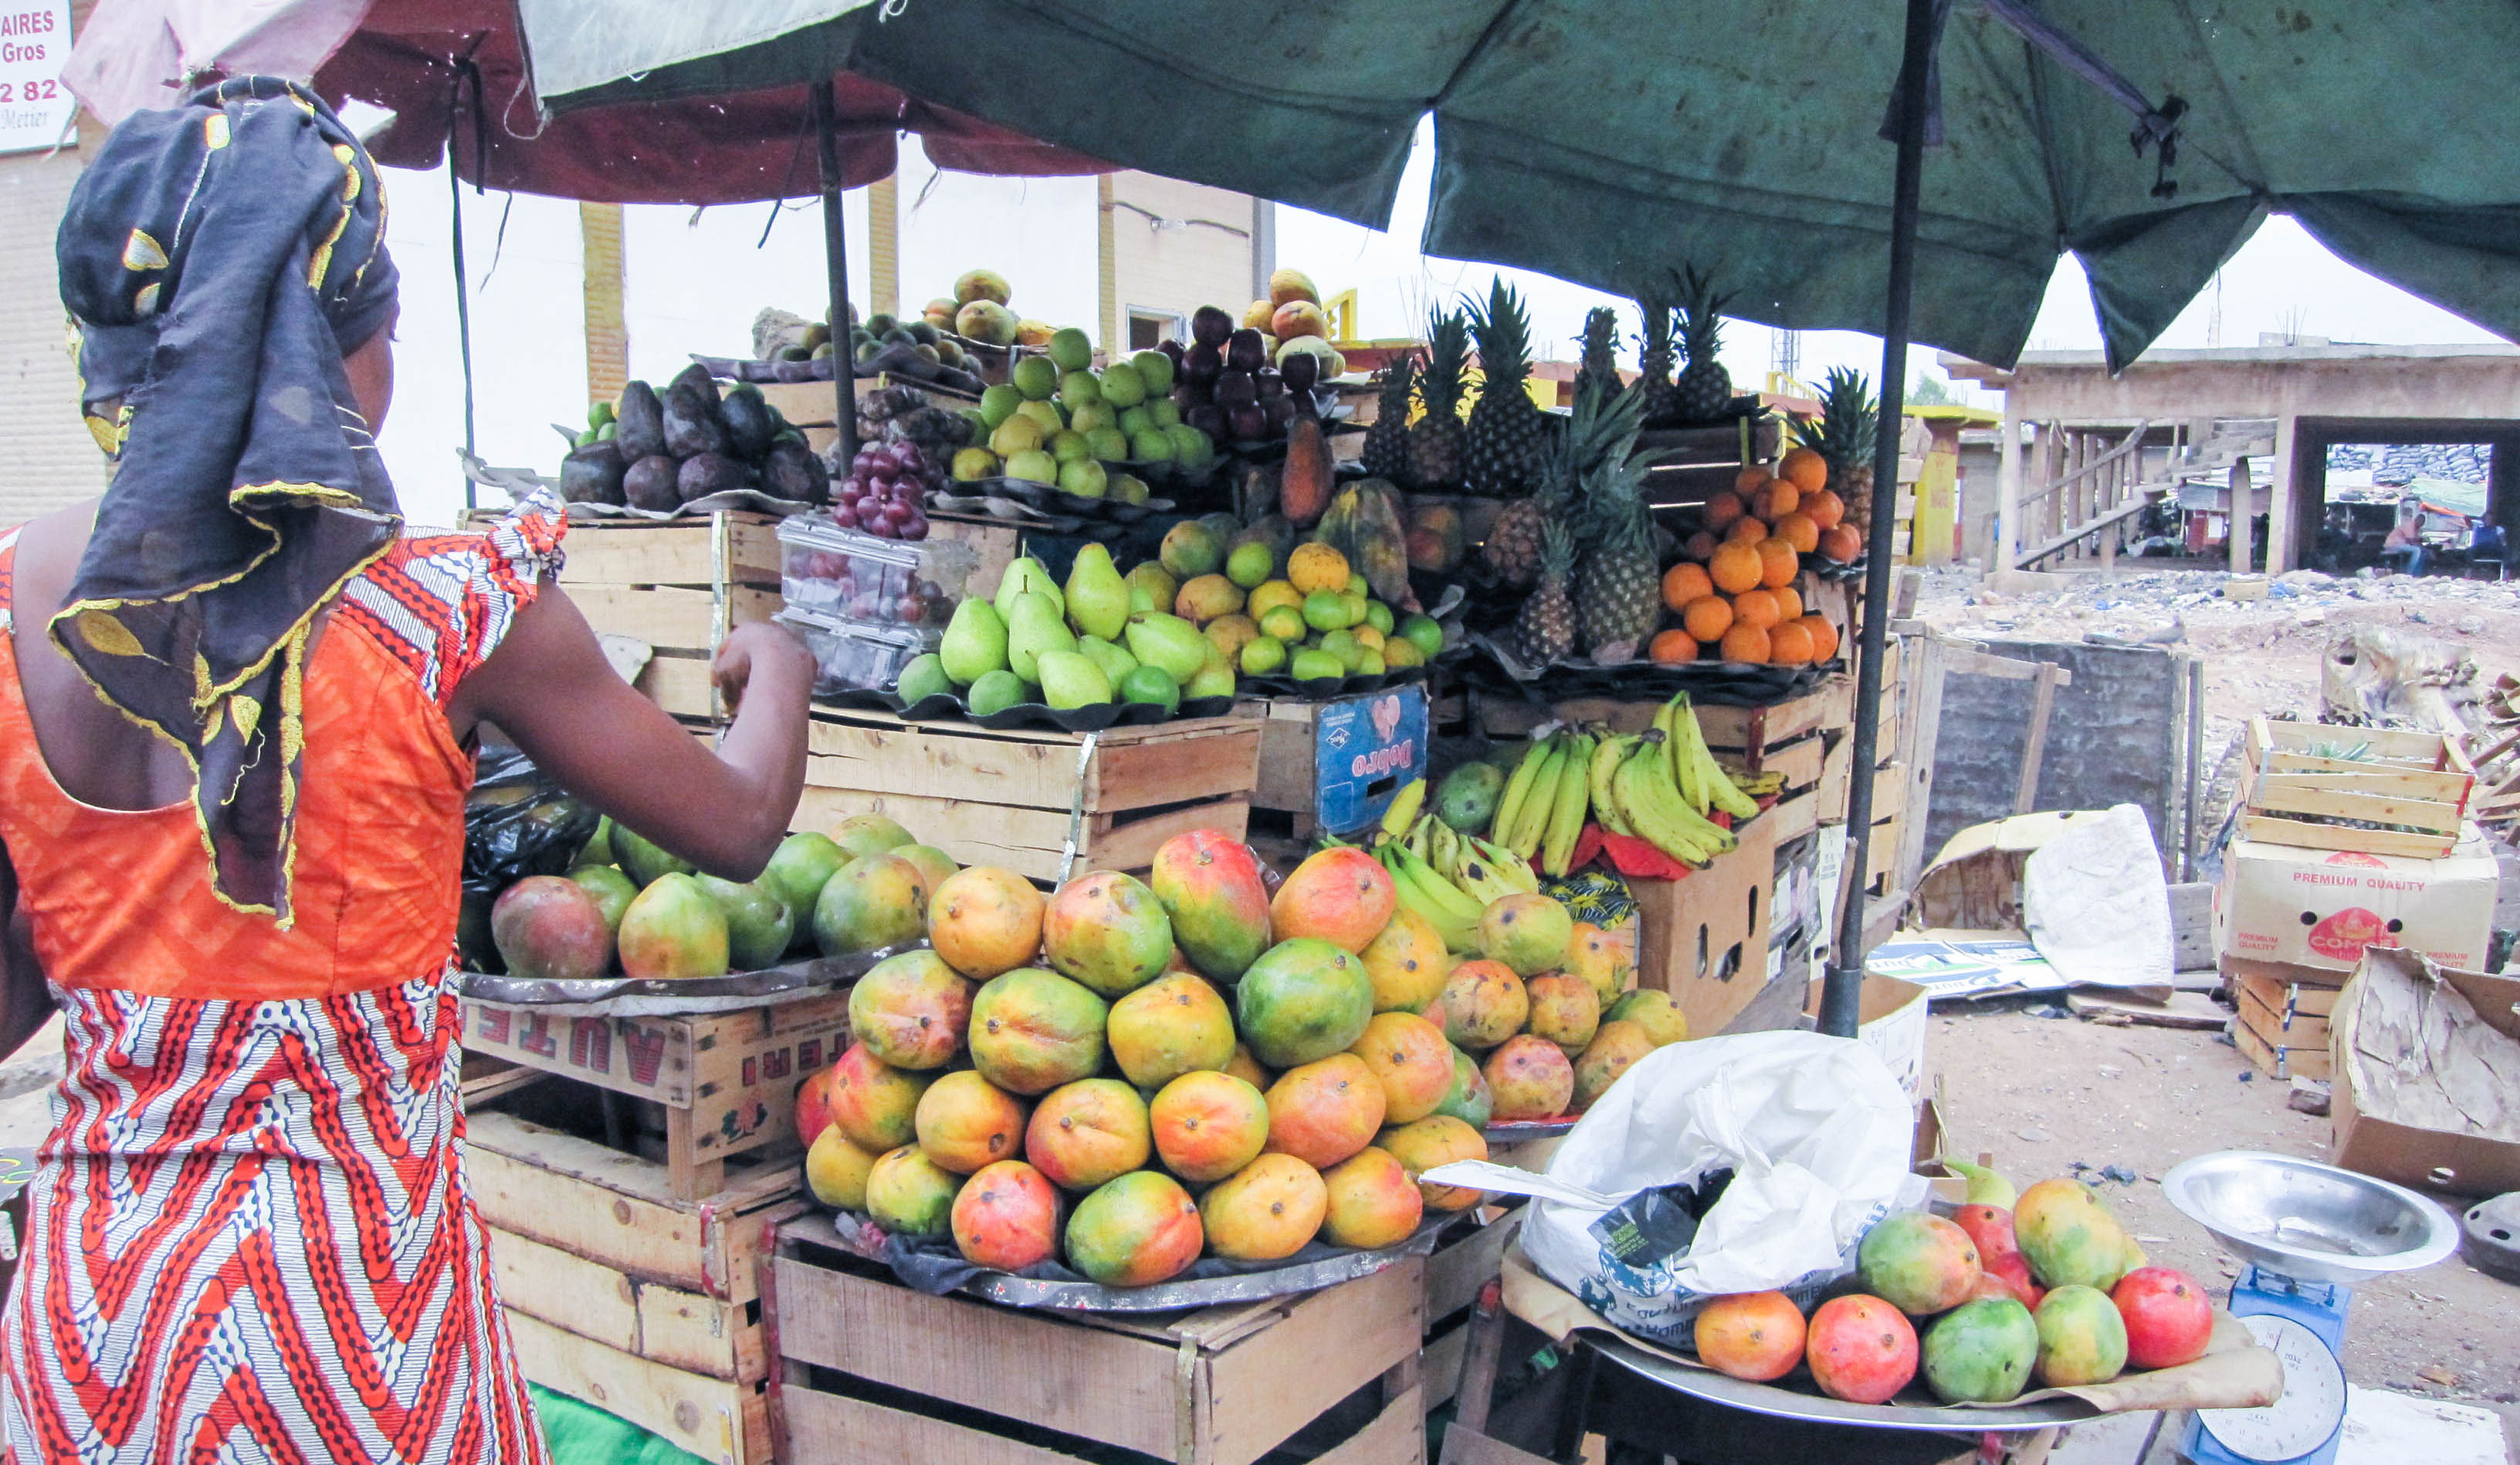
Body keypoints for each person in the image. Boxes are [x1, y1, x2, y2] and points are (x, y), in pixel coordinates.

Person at [0, 79, 811, 1460]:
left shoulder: (25, 615)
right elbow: (735, 825)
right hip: (358, 1323)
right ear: (347, 352)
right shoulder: (449, 606)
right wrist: (777, 662)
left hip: (98, 1323)